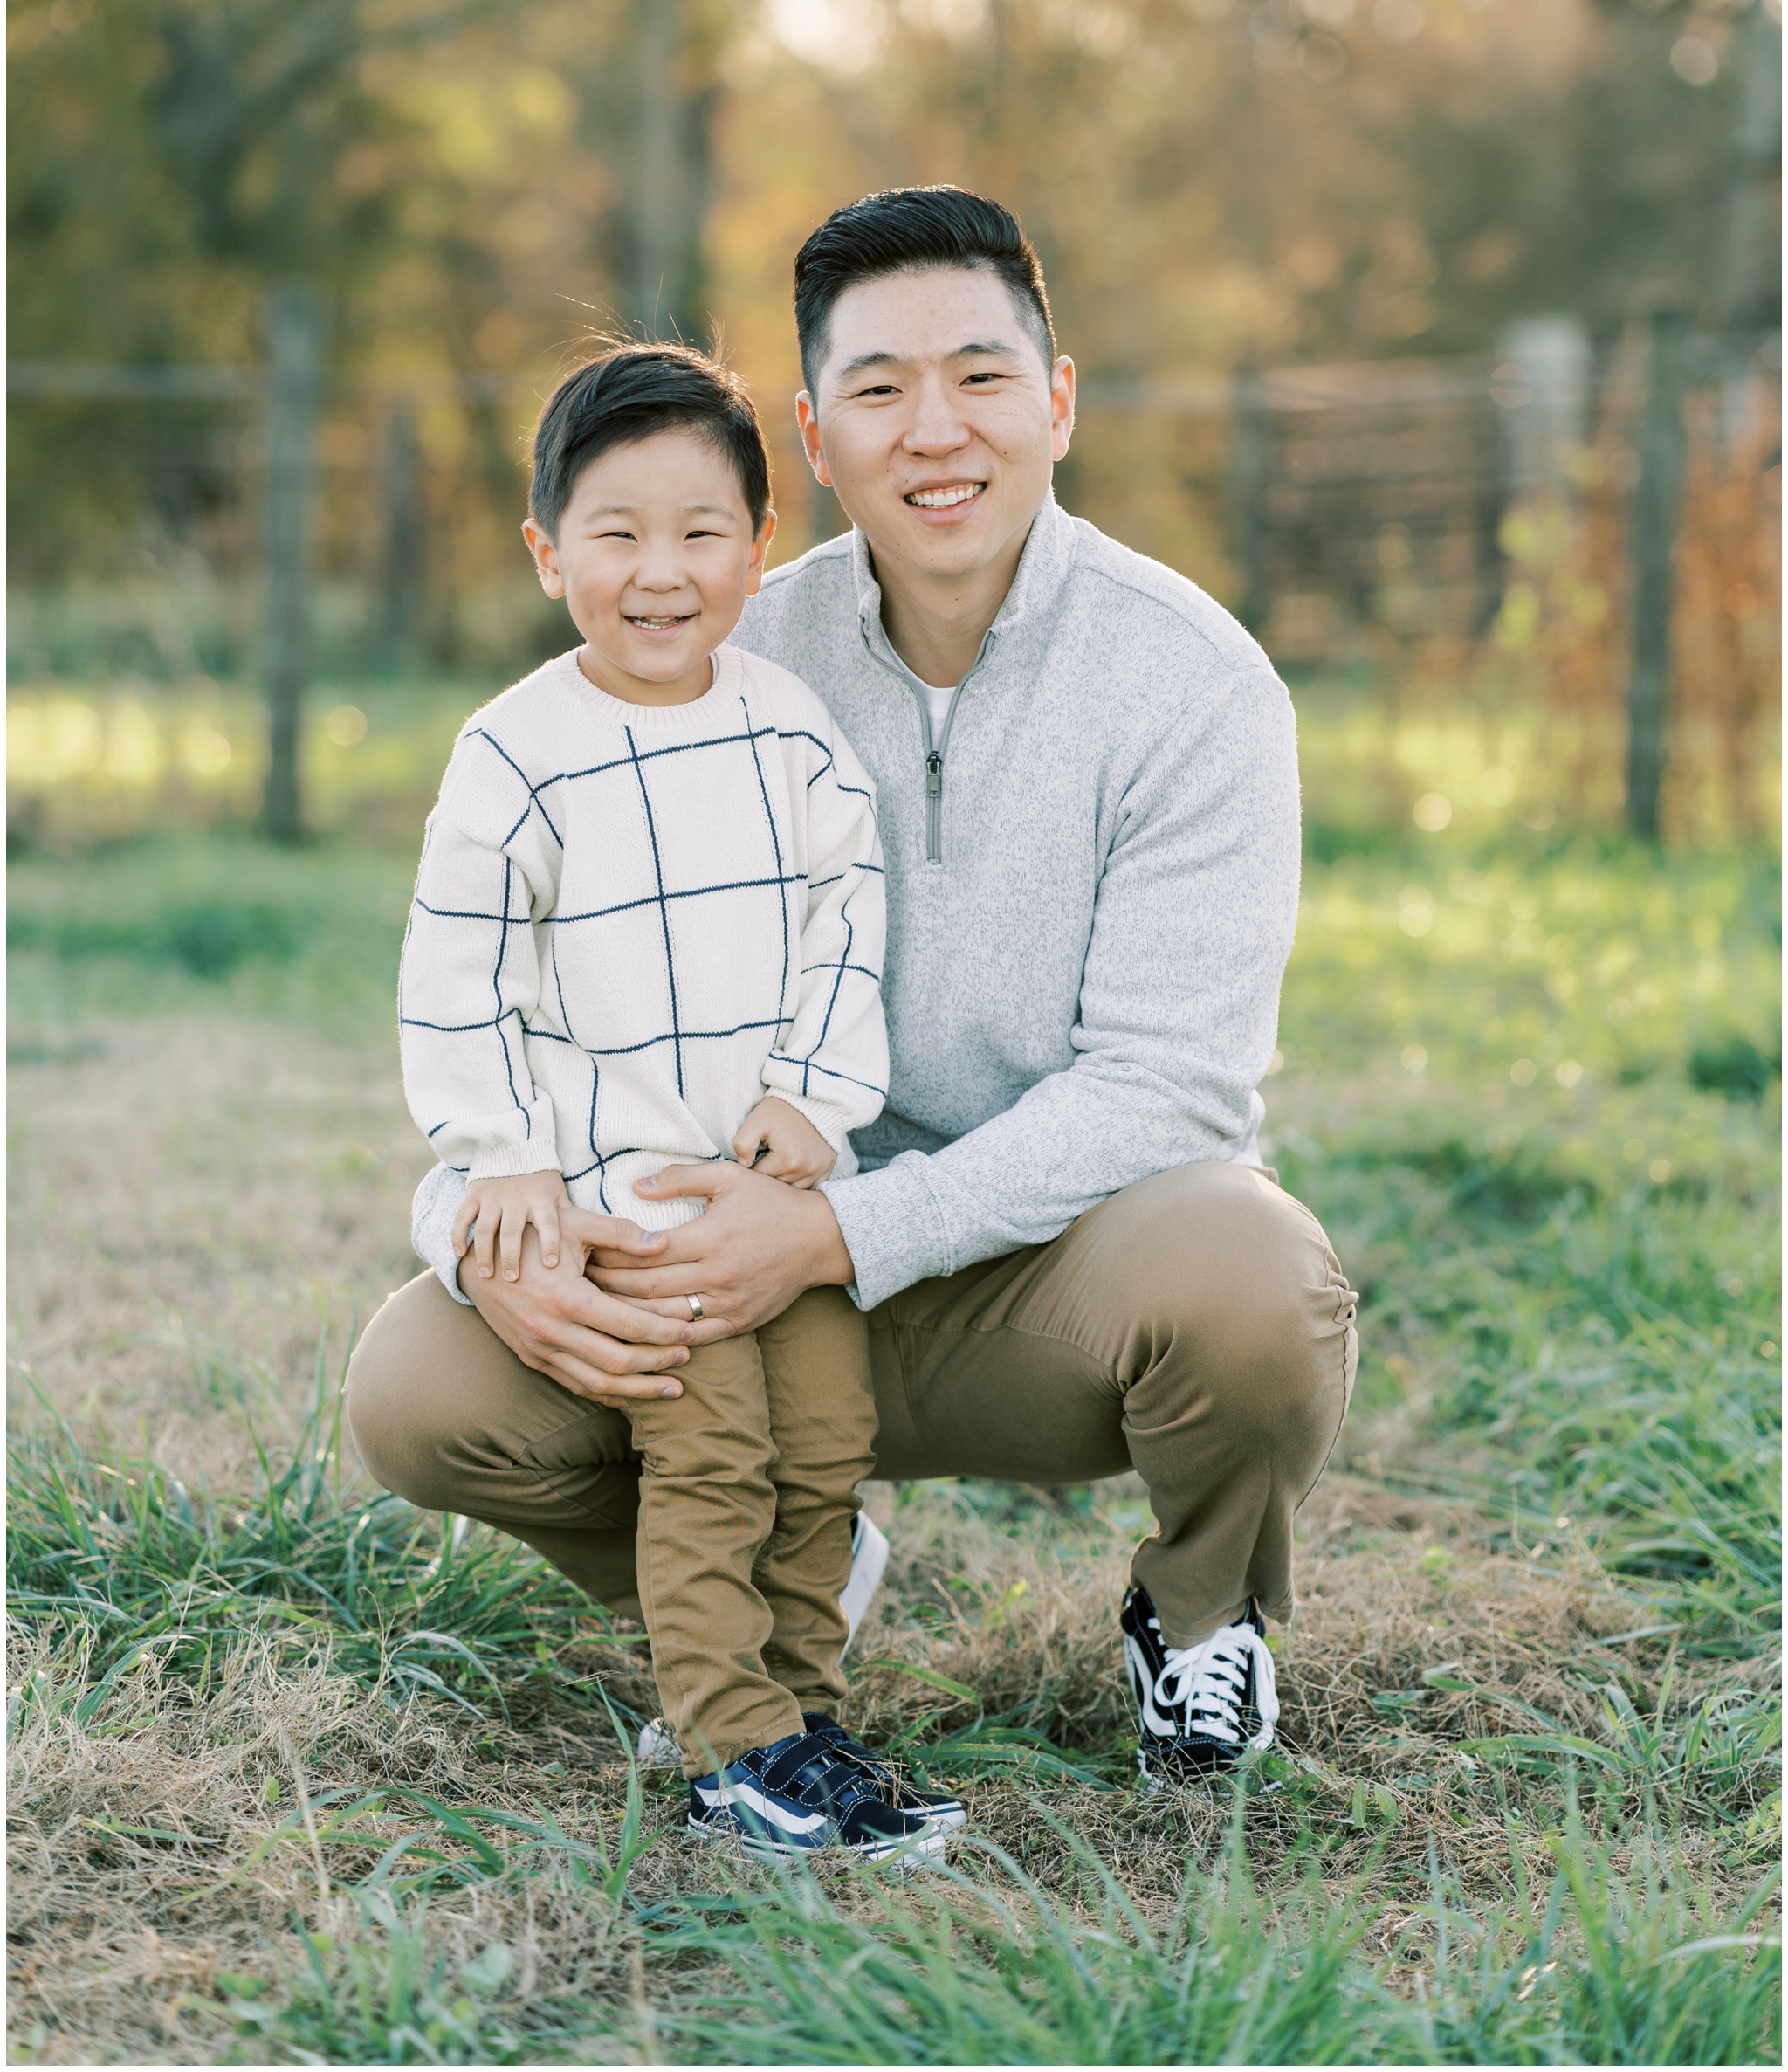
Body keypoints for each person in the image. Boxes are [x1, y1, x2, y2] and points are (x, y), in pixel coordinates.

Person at [348, 187, 1358, 1788]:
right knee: (421, 1380)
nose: (935, 429)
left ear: (1060, 398)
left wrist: (836, 1230)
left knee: (1256, 1276)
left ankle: (1199, 1616)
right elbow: (527, 995)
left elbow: (1173, 1086)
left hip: (1043, 1277)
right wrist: (477, 1226)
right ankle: (769, 1594)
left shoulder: (1195, 681)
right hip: (729, 1284)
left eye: (980, 374)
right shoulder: (722, 647)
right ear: (814, 439)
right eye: (881, 389)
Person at [395, 341, 962, 1866]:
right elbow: (460, 970)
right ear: (545, 550)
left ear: (760, 547)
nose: (662, 572)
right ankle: (736, 1749)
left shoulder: (786, 727)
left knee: (824, 1440)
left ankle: (809, 1713)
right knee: (710, 1456)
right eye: (617, 533)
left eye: (702, 532)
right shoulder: (519, 750)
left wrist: (814, 1097)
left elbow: (853, 912)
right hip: (632, 1198)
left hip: (773, 1188)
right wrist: (498, 1155)